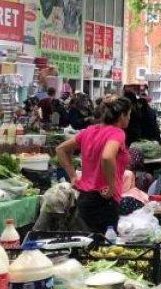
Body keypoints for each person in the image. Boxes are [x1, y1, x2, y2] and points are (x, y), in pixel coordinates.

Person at [56, 96, 131, 234]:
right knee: (103, 248)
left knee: (87, 245)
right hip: (104, 201)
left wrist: (73, 176)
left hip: (85, 197)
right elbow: (107, 156)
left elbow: (60, 149)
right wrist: (111, 185)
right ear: (122, 115)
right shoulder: (117, 133)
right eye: (129, 115)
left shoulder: (90, 130)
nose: (129, 119)